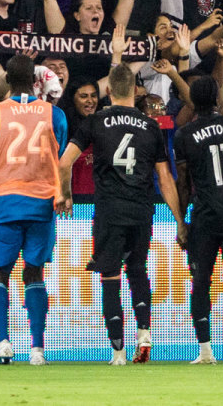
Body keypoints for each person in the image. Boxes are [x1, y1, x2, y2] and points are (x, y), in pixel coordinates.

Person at [58, 63, 186, 365]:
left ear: (109, 91)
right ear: (134, 90)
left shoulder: (96, 121)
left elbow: (65, 163)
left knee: (110, 276)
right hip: (142, 209)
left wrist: (65, 194)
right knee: (138, 269)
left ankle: (118, 352)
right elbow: (165, 178)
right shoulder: (151, 126)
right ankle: (144, 332)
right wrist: (180, 219)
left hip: (109, 210)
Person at [0, 53, 68, 366]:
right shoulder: (54, 115)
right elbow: (60, 157)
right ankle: (37, 349)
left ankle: (4, 344)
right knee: (34, 273)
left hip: (6, 202)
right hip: (42, 203)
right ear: (36, 81)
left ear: (5, 78)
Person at [173, 75, 223, 365]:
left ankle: (206, 351)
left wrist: (182, 222)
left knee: (201, 282)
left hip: (206, 215)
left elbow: (183, 183)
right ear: (218, 100)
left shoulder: (184, 134)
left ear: (193, 101)